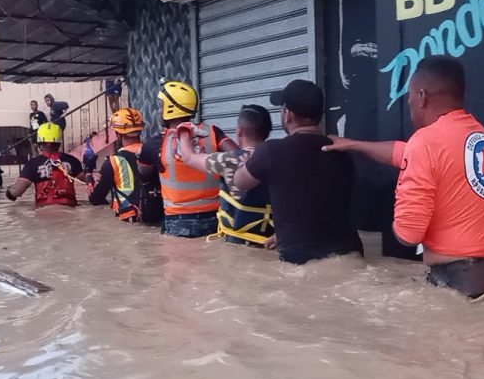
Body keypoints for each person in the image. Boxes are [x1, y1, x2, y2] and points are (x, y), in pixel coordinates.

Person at [324, 56, 484, 298]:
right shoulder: (475, 132)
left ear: (421, 96)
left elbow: (408, 234)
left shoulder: (426, 142)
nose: (409, 105)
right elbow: (405, 152)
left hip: (468, 282)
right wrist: (353, 144)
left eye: (409, 99)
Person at [234, 80, 363, 264]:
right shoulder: (342, 153)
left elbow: (240, 182)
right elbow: (322, 203)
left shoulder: (271, 151)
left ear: (288, 114)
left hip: (301, 261)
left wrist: (247, 162)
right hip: (351, 256)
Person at [138, 80, 238, 238]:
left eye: (162, 106)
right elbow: (237, 157)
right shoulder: (213, 132)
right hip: (217, 218)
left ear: (171, 108)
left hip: (178, 221)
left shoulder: (155, 144)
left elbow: (143, 172)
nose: (159, 111)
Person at [177, 104, 274, 246]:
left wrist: (184, 131)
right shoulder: (280, 160)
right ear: (267, 133)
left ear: (239, 131)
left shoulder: (228, 161)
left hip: (237, 245)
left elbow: (188, 157)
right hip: (270, 242)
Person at [88, 108, 163, 224]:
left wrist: (90, 184)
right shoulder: (155, 153)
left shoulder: (113, 162)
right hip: (158, 217)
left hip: (130, 220)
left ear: (118, 134)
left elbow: (96, 199)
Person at [6, 122, 85, 207]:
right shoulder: (72, 161)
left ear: (39, 141)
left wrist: (9, 191)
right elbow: (88, 181)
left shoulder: (32, 164)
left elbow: (18, 191)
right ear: (59, 141)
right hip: (70, 210)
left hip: (43, 212)